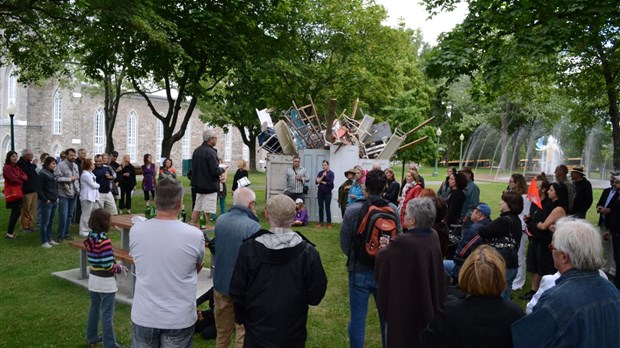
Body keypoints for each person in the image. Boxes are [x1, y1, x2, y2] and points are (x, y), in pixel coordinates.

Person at [229, 194, 328, 347]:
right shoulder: (250, 248)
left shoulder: (306, 253)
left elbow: (237, 291)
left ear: (266, 215)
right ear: (294, 215)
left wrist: (242, 318)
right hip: (285, 332)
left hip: (265, 332)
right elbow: (315, 294)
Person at [512, 218, 620, 347]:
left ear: (563, 256)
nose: (551, 251)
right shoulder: (613, 290)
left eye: (552, 247)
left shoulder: (556, 299)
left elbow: (527, 341)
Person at [130, 178, 205, 347]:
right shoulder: (194, 235)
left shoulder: (137, 231)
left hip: (146, 314)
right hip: (178, 316)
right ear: (180, 203)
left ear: (155, 201)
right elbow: (197, 267)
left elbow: (140, 261)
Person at [340, 169, 401, 348]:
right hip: (385, 270)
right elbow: (398, 239)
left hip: (359, 268)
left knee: (358, 318)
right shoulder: (393, 210)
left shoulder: (352, 210)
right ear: (385, 187)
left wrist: (359, 255)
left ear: (365, 187)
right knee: (387, 318)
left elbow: (345, 243)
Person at [375, 197, 446, 348]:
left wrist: (383, 249)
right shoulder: (433, 235)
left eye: (406, 213)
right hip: (426, 299)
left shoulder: (403, 242)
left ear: (412, 220)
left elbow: (383, 263)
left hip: (407, 307)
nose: (403, 215)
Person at [420, 245, 524, 348]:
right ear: (500, 276)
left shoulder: (451, 312)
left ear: (466, 274)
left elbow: (426, 342)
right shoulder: (514, 312)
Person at [213, 187, 260, 348]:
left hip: (221, 284)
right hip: (243, 290)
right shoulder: (253, 227)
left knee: (223, 332)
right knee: (243, 333)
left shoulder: (220, 220)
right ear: (251, 204)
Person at [83, 208, 124, 348]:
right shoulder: (104, 241)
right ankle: (110, 344)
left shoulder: (90, 237)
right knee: (107, 314)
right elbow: (107, 265)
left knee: (94, 308)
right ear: (105, 223)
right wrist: (118, 268)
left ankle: (92, 337)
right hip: (105, 282)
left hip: (93, 279)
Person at [477, 191, 523, 300]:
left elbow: (483, 231)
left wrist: (480, 222)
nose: (500, 203)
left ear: (509, 204)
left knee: (497, 297)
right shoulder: (516, 220)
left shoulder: (503, 221)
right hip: (512, 263)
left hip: (502, 264)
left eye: (503, 201)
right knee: (506, 296)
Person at [519, 175, 557, 300]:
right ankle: (533, 290)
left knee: (543, 265)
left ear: (543, 190)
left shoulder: (549, 204)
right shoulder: (535, 202)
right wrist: (529, 220)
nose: (534, 188)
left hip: (543, 239)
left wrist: (534, 223)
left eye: (537, 186)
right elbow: (536, 220)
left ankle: (546, 290)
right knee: (534, 264)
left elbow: (544, 224)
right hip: (533, 237)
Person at [443, 203, 492, 280]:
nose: (470, 213)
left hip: (468, 265)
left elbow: (462, 251)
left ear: (479, 214)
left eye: (473, 211)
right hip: (479, 263)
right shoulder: (489, 224)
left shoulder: (476, 229)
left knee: (440, 264)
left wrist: (456, 257)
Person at [191, 129, 226, 229]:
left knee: (197, 208)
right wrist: (222, 169)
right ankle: (203, 231)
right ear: (210, 139)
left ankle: (192, 226)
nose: (217, 140)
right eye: (215, 138)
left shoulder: (197, 150)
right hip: (209, 186)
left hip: (198, 185)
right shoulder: (210, 153)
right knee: (208, 211)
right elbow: (215, 171)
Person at [507, 173, 531, 292]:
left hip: (520, 229)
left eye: (511, 181)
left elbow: (525, 215)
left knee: (520, 255)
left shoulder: (525, 197)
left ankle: (519, 282)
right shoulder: (513, 195)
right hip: (513, 227)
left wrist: (519, 229)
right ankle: (514, 278)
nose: (509, 183)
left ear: (517, 183)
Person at [55, 147, 80, 241]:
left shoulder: (75, 165)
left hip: (74, 193)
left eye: (74, 155)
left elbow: (77, 178)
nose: (73, 157)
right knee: (63, 215)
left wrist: (78, 190)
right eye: (71, 155)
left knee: (70, 215)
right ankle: (60, 235)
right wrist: (69, 179)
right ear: (66, 155)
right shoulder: (60, 165)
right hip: (63, 194)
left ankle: (66, 233)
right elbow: (56, 178)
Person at [598, 172, 619, 279]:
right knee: (606, 246)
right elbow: (600, 202)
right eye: (612, 179)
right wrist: (600, 207)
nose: (612, 181)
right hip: (603, 221)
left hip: (613, 224)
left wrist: (608, 210)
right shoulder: (607, 191)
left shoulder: (618, 194)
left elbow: (616, 209)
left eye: (615, 180)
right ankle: (606, 267)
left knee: (614, 247)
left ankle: (613, 269)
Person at [3, 151, 28, 239]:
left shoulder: (17, 167)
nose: (15, 158)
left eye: (16, 156)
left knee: (15, 212)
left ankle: (10, 232)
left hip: (17, 192)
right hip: (12, 193)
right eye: (13, 156)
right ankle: (9, 233)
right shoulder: (7, 168)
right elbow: (12, 179)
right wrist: (19, 179)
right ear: (9, 157)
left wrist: (19, 178)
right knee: (16, 211)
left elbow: (25, 176)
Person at [36, 157, 59, 247]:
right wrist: (45, 199)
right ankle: (44, 241)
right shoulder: (42, 173)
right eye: (53, 164)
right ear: (47, 164)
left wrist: (57, 197)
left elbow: (54, 187)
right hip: (47, 201)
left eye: (55, 164)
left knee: (51, 221)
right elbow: (39, 188)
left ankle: (49, 238)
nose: (54, 166)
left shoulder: (51, 173)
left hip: (53, 200)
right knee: (44, 222)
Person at [16, 148, 38, 232]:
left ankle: (30, 225)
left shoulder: (29, 163)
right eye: (30, 155)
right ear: (26, 155)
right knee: (26, 209)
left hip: (33, 189)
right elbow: (28, 173)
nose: (32, 156)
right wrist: (34, 164)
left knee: (32, 209)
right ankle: (24, 226)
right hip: (26, 190)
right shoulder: (21, 164)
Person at [79, 158, 100, 237]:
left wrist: (96, 185)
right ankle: (83, 230)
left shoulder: (90, 173)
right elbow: (93, 185)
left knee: (91, 214)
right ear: (89, 165)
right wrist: (98, 185)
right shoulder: (85, 175)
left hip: (92, 197)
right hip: (86, 197)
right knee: (86, 214)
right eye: (92, 164)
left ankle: (89, 228)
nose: (94, 165)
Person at [316, 160, 335, 228]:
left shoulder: (331, 173)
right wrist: (322, 176)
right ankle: (321, 222)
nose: (324, 166)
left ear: (328, 165)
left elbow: (330, 183)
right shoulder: (320, 173)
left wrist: (323, 182)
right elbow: (317, 182)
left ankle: (329, 223)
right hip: (320, 192)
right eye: (323, 165)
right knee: (320, 208)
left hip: (328, 193)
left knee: (327, 208)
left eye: (325, 165)